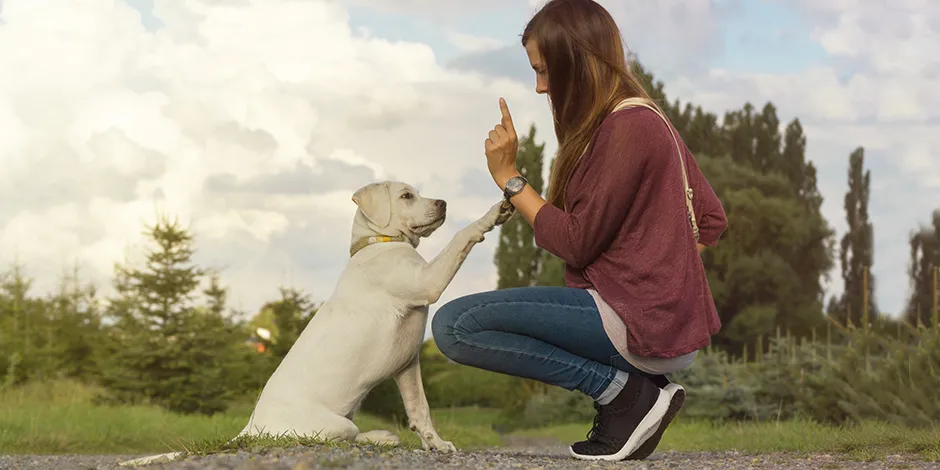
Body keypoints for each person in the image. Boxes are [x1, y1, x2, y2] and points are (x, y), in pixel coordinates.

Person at [431, 0, 727, 462]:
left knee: (455, 326)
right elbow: (710, 221)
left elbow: (574, 242)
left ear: (581, 63)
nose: (539, 87)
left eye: (546, 72)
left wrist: (510, 178)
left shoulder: (629, 127)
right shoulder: (645, 119)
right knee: (459, 324)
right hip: (654, 326)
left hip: (634, 324)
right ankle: (636, 392)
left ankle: (623, 395)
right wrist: (664, 281)